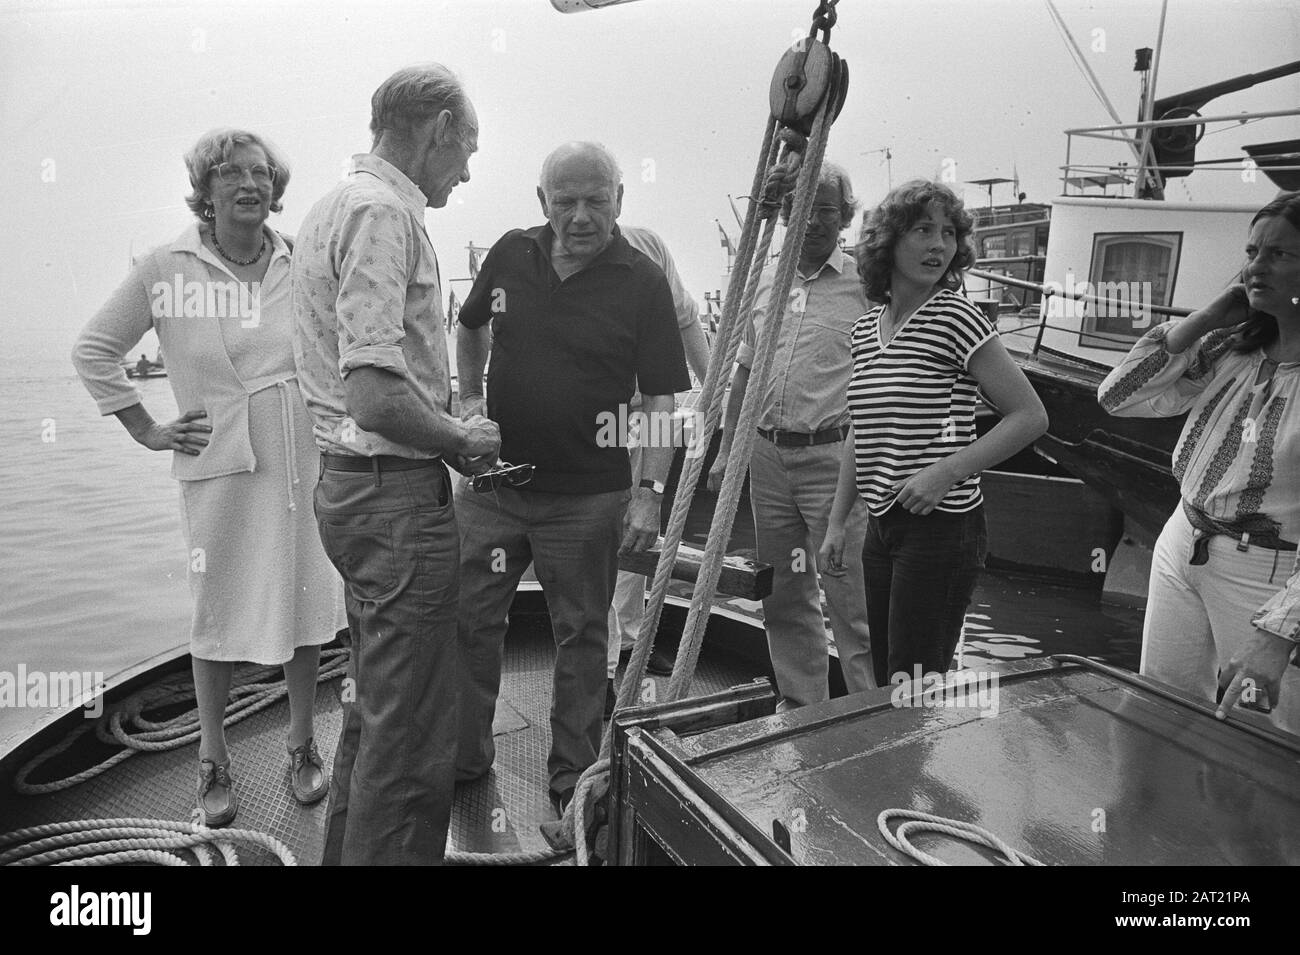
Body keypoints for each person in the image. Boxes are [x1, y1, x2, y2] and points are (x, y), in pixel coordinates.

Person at [72, 128, 339, 827]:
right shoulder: (167, 265)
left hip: (302, 459)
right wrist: (148, 429)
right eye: (230, 174)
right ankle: (213, 759)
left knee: (309, 602)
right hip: (219, 466)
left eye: (260, 174)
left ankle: (303, 744)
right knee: (216, 610)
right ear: (206, 188)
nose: (248, 185)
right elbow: (95, 349)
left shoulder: (300, 257)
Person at [292, 64, 500, 866]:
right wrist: (461, 438)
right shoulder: (384, 214)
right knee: (413, 731)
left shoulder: (329, 209)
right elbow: (376, 395)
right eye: (467, 148)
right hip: (396, 500)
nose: (468, 169)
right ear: (440, 128)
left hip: (348, 491)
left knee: (380, 708)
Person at [455, 141, 690, 815]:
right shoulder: (508, 254)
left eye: (597, 200)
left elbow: (659, 400)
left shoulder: (642, 281)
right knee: (468, 623)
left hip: (589, 499)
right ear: (542, 204)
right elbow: (468, 326)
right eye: (566, 202)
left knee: (583, 638)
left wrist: (647, 493)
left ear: (621, 200)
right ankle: (466, 756)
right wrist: (469, 402)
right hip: (494, 489)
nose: (581, 216)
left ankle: (570, 782)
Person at [819, 179, 1048, 688]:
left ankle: (909, 770)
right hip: (882, 525)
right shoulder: (865, 329)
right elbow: (862, 430)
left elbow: (1030, 416)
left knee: (914, 685)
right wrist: (838, 523)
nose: (939, 245)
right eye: (923, 230)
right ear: (888, 241)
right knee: (887, 678)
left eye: (948, 233)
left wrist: (946, 471)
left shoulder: (956, 317)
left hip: (942, 528)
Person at [1098, 190, 1300, 734]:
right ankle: (1149, 817)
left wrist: (1280, 633)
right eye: (1252, 251)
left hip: (1270, 572)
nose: (1257, 265)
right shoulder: (1232, 349)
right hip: (1183, 539)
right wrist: (1209, 315)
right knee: (1157, 709)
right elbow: (1119, 397)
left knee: (1267, 738)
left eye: (1279, 254)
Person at [708, 162, 875, 708]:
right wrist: (728, 450)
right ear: (782, 216)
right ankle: (804, 707)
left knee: (851, 596)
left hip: (836, 459)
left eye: (825, 208)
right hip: (767, 456)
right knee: (783, 592)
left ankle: (867, 716)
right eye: (798, 208)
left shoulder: (866, 284)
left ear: (845, 217)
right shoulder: (763, 280)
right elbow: (744, 369)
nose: (810, 221)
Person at [605, 225, 712, 712]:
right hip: (595, 418)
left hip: (649, 411)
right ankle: (603, 669)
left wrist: (714, 390)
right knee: (601, 535)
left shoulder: (649, 247)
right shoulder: (559, 261)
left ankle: (631, 642)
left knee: (639, 529)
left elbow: (687, 319)